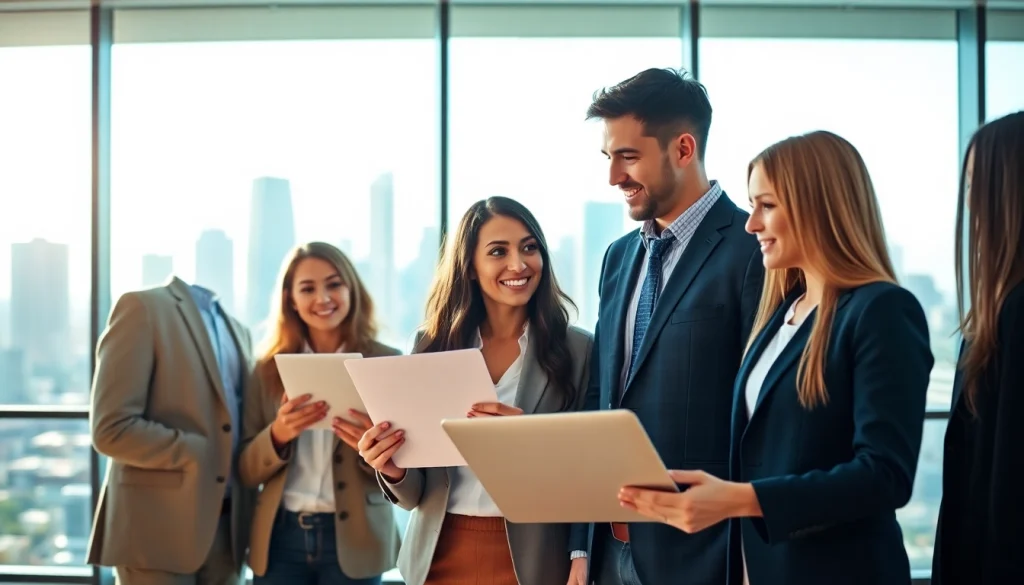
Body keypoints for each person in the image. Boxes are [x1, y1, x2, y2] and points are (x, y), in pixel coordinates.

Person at [619, 130, 934, 585]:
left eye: (766, 205)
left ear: (817, 207)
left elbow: (884, 475)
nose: (751, 224)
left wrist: (741, 499)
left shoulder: (881, 311)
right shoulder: (784, 312)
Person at [573, 67, 764, 585]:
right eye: (609, 158)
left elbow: (760, 422)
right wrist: (579, 549)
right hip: (608, 550)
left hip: (701, 556)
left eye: (628, 157)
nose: (614, 177)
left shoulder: (753, 255)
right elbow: (601, 400)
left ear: (683, 149)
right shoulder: (617, 258)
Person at [347, 196, 593, 585]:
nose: (519, 264)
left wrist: (531, 443)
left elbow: (589, 470)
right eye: (499, 251)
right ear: (471, 268)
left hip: (534, 560)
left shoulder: (579, 350)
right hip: (438, 555)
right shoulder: (431, 345)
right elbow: (415, 494)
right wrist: (391, 468)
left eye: (529, 248)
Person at [238, 242, 401, 585]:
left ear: (351, 289)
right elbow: (245, 470)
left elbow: (408, 469)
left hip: (357, 538)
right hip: (280, 538)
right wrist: (279, 434)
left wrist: (370, 447)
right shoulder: (267, 370)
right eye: (308, 288)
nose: (323, 298)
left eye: (334, 284)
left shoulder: (387, 361)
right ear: (290, 300)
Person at [89, 276, 256, 585]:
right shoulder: (142, 308)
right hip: (157, 529)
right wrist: (198, 451)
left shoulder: (240, 330)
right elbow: (111, 428)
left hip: (229, 533)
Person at [933, 110, 1024, 584]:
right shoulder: (998, 310)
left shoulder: (1016, 311)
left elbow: (1009, 483)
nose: (968, 203)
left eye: (974, 184)